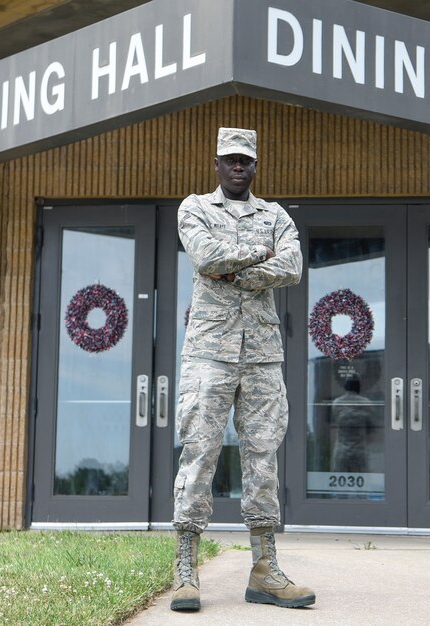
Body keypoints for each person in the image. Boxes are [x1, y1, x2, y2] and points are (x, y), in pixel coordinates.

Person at [170, 127, 313, 611]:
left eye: (245, 160)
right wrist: (259, 254)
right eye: (230, 159)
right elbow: (205, 257)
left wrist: (234, 270)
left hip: (262, 357)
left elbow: (293, 267)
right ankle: (186, 571)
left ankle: (265, 570)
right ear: (216, 163)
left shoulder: (276, 215)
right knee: (200, 454)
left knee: (263, 458)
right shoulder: (194, 208)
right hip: (209, 353)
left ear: (255, 166)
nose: (238, 167)